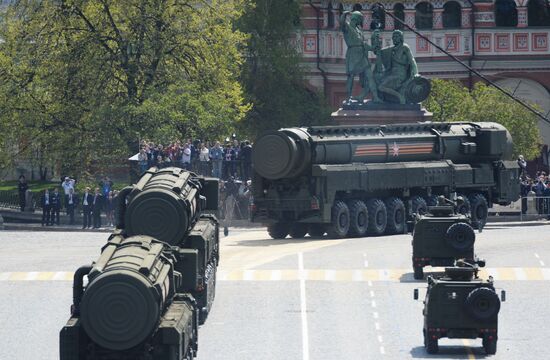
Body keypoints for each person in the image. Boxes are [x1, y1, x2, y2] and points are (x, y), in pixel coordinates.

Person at [339, 10, 380, 102]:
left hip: (362, 55)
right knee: (351, 77)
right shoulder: (347, 27)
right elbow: (341, 22)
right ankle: (348, 98)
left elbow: (363, 44)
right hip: (353, 55)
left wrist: (372, 48)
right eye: (360, 19)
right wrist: (345, 14)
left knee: (370, 76)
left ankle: (376, 97)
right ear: (356, 19)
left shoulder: (359, 30)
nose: (361, 21)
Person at [377, 30, 419, 104]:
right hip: (392, 74)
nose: (394, 38)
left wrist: (416, 73)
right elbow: (381, 53)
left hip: (400, 75)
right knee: (377, 79)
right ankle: (385, 99)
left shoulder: (404, 47)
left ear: (401, 38)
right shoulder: (392, 49)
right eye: (393, 37)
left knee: (381, 87)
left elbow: (412, 61)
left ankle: (400, 97)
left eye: (396, 37)